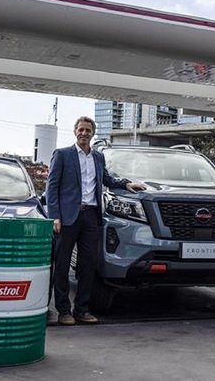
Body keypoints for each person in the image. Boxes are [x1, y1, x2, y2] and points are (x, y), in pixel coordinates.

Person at [46, 116, 145, 326]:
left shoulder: (98, 157)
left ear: (93, 133)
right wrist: (54, 216)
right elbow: (51, 187)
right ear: (75, 131)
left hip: (91, 217)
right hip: (67, 218)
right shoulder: (62, 154)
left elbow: (106, 179)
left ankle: (82, 310)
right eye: (81, 129)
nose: (84, 133)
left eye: (88, 130)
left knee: (88, 266)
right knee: (62, 265)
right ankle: (63, 311)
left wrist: (126, 184)